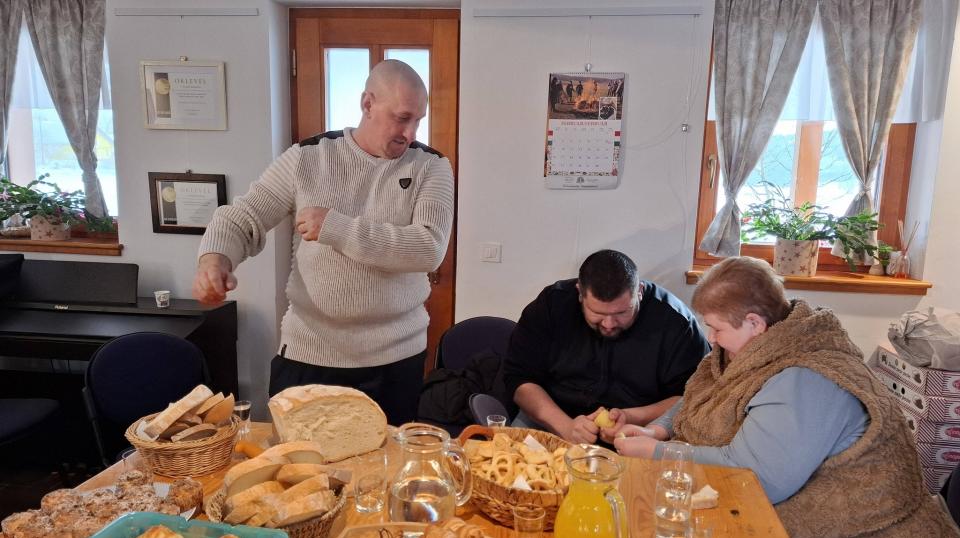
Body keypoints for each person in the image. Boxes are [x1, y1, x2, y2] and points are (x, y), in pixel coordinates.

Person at [614, 257, 959, 538]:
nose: (712, 339)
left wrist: (658, 452)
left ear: (754, 323)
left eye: (717, 329)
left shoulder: (806, 378)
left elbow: (758, 478)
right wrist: (657, 430)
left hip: (867, 529)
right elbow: (699, 397)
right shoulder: (745, 349)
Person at [192, 59, 454, 426]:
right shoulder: (308, 156)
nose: (409, 133)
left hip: (395, 362)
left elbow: (428, 248)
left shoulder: (431, 166)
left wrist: (336, 228)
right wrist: (215, 258)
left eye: (418, 121)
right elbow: (244, 216)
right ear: (368, 104)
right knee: (296, 460)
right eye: (402, 118)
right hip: (310, 352)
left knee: (385, 462)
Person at [503, 249, 710, 445]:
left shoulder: (676, 323)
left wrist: (631, 417)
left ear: (639, 292)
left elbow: (693, 395)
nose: (609, 324)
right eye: (598, 313)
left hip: (639, 429)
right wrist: (565, 427)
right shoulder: (551, 306)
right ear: (580, 293)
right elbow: (520, 378)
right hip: (551, 418)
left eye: (621, 313)